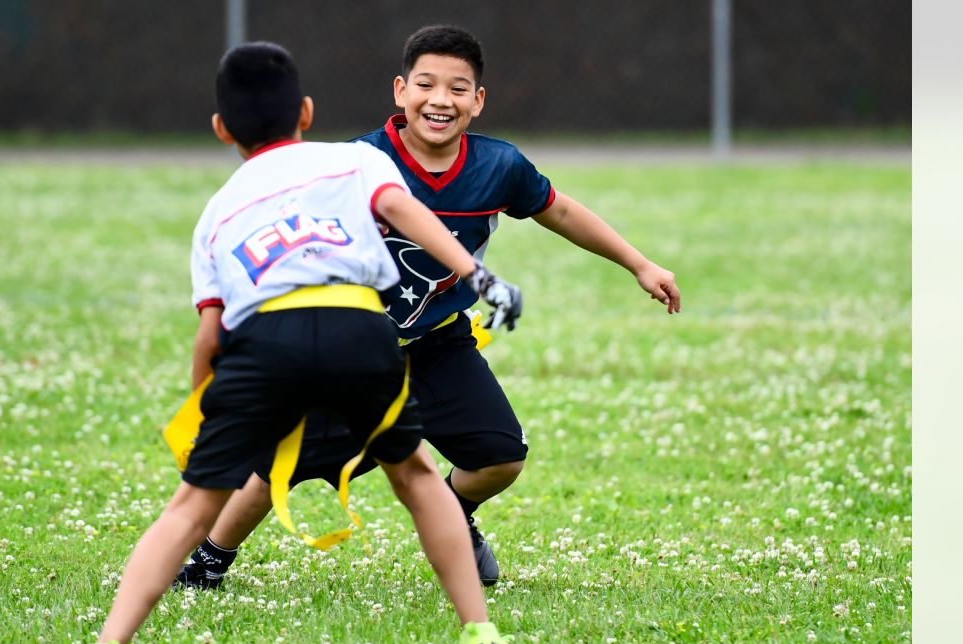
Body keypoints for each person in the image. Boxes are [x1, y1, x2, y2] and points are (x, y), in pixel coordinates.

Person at [36, 41, 540, 644]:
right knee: (418, 478)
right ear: (306, 111)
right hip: (359, 327)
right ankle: (482, 638)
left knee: (192, 505)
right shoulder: (356, 159)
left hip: (265, 341)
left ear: (221, 130)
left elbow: (211, 331)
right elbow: (404, 213)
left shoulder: (216, 211)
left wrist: (201, 408)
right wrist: (477, 273)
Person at [175, 24, 682, 590]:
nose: (441, 100)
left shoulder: (499, 167)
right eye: (426, 84)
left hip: (437, 343)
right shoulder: (358, 162)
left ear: (478, 101)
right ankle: (210, 558)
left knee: (500, 455)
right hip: (352, 349)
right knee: (276, 470)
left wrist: (640, 264)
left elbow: (558, 211)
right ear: (400, 90)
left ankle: (452, 511)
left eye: (459, 88)